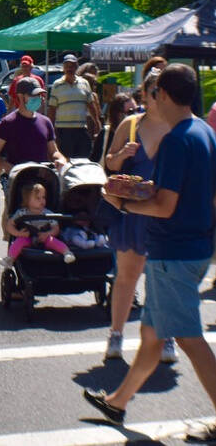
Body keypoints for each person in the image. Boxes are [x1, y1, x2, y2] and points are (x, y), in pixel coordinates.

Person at [86, 64, 216, 443]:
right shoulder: (204, 132)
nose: (149, 98)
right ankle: (118, 401)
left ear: (162, 95)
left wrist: (121, 202)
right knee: (151, 334)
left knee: (189, 339)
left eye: (153, 92)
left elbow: (165, 205)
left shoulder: (178, 140)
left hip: (173, 251)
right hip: (192, 248)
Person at [102, 71, 177, 363]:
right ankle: (116, 335)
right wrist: (122, 153)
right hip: (133, 212)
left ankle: (166, 337)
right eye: (155, 90)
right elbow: (109, 162)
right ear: (145, 93)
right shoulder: (130, 124)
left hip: (166, 212)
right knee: (127, 278)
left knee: (163, 279)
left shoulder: (178, 126)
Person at [0, 77, 67, 239]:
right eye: (34, 96)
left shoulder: (45, 122)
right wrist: (6, 165)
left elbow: (54, 151)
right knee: (13, 211)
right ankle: (10, 243)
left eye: (40, 95)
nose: (39, 99)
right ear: (21, 97)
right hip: (17, 179)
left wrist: (60, 159)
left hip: (42, 178)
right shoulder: (8, 123)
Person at [0, 182, 75, 267]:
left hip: (44, 238)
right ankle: (10, 259)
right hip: (28, 238)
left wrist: (47, 234)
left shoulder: (47, 213)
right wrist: (19, 233)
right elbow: (9, 225)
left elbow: (56, 229)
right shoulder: (22, 213)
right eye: (38, 198)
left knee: (52, 240)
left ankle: (67, 252)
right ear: (27, 200)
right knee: (19, 241)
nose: (42, 200)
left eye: (43, 197)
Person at [48, 54, 100, 158]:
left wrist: (97, 123)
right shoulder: (56, 85)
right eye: (67, 66)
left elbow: (90, 105)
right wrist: (51, 130)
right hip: (63, 131)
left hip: (81, 130)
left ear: (76, 67)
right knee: (66, 161)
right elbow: (52, 110)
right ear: (63, 68)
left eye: (72, 65)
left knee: (82, 160)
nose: (69, 68)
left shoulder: (84, 83)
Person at [90, 93, 135, 166]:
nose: (135, 115)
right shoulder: (105, 134)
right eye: (130, 112)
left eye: (137, 110)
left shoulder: (140, 134)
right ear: (117, 114)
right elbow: (94, 161)